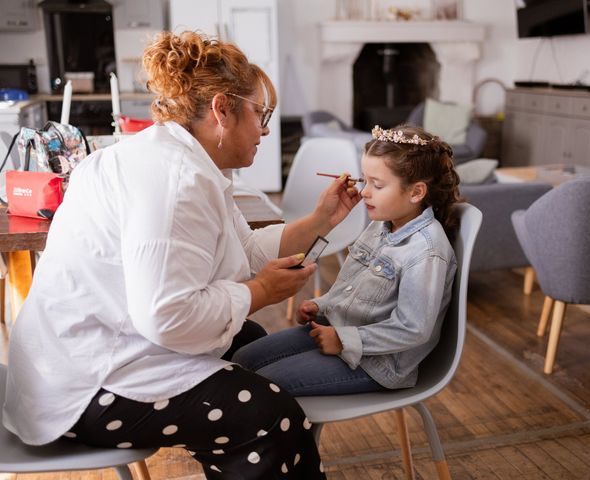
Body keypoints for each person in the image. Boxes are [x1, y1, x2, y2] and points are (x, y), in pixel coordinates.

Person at [2, 31, 361, 479]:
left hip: (84, 355)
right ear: (222, 111)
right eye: (260, 113)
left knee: (248, 339)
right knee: (270, 418)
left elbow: (244, 250)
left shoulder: (184, 162)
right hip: (87, 386)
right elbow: (167, 316)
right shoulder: (174, 181)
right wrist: (260, 292)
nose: (266, 129)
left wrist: (321, 219)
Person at [232, 124, 461, 396]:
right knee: (242, 360)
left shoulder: (426, 252)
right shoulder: (382, 225)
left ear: (416, 193)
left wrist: (343, 340)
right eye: (365, 181)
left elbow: (413, 329)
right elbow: (353, 286)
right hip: (338, 331)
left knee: (259, 386)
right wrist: (321, 305)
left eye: (377, 185)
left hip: (376, 364)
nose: (364, 192)